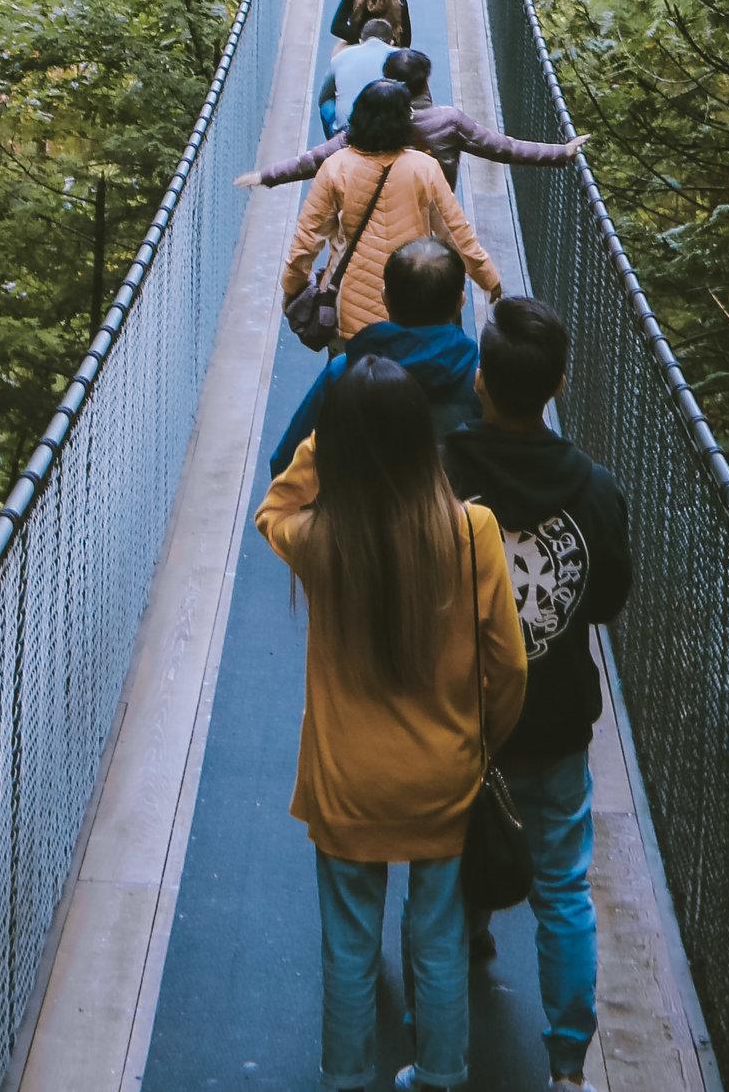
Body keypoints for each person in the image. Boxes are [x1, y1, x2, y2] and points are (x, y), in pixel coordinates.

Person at [255, 353, 525, 1092]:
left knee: (348, 945)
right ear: (421, 438)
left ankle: (346, 1078)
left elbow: (272, 510)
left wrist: (323, 441)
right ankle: (441, 1074)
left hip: (348, 783)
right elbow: (509, 668)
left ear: (338, 446)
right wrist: (480, 745)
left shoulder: (321, 542)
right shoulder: (472, 532)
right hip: (443, 776)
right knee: (438, 940)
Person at [444, 299, 633, 1092]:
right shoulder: (594, 492)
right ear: (558, 383)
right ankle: (565, 1069)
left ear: (479, 380)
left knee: (444, 876)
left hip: (455, 721)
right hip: (554, 725)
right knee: (563, 890)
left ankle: (447, 1029)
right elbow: (607, 600)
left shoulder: (440, 474)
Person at [282, 79, 501, 347]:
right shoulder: (425, 168)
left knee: (348, 379)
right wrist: (487, 278)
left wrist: (293, 287)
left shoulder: (335, 167)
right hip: (413, 309)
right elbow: (456, 232)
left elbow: (307, 239)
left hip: (350, 313)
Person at [270, 234, 480, 474]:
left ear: (385, 298)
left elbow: (287, 463)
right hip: (448, 510)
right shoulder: (482, 380)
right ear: (460, 302)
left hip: (358, 508)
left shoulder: (343, 372)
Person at [246, 49, 582, 196]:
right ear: (424, 83)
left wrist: (266, 175)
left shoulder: (369, 124)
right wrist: (561, 152)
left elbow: (315, 159)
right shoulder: (450, 121)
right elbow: (504, 148)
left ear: (386, 81)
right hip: (435, 214)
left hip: (381, 216)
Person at [319, 12, 400, 137]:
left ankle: (333, 145)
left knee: (326, 106)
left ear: (360, 40)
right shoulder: (403, 58)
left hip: (348, 131)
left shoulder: (340, 57)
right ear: (392, 42)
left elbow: (324, 98)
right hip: (391, 131)